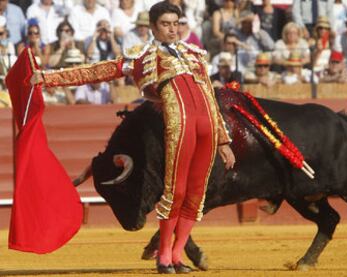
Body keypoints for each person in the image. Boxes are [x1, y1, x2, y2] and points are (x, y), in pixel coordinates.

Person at [31, 2, 235, 274]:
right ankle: (163, 256)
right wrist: (46, 78)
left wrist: (223, 140)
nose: (173, 29)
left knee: (196, 194)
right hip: (180, 123)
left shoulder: (195, 53)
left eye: (176, 23)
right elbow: (95, 71)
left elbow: (209, 95)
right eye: (166, 24)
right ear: (152, 27)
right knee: (177, 191)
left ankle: (177, 255)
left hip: (207, 125)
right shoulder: (141, 56)